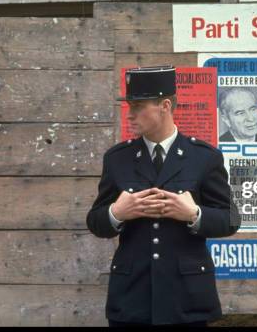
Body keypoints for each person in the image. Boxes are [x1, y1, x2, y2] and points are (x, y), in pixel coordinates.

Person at [86, 65, 241, 326]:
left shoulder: (204, 157)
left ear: (165, 105)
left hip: (186, 299)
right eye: (129, 107)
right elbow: (96, 222)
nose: (131, 114)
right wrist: (116, 213)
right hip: (132, 298)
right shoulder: (117, 159)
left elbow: (230, 220)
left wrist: (193, 214)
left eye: (138, 107)